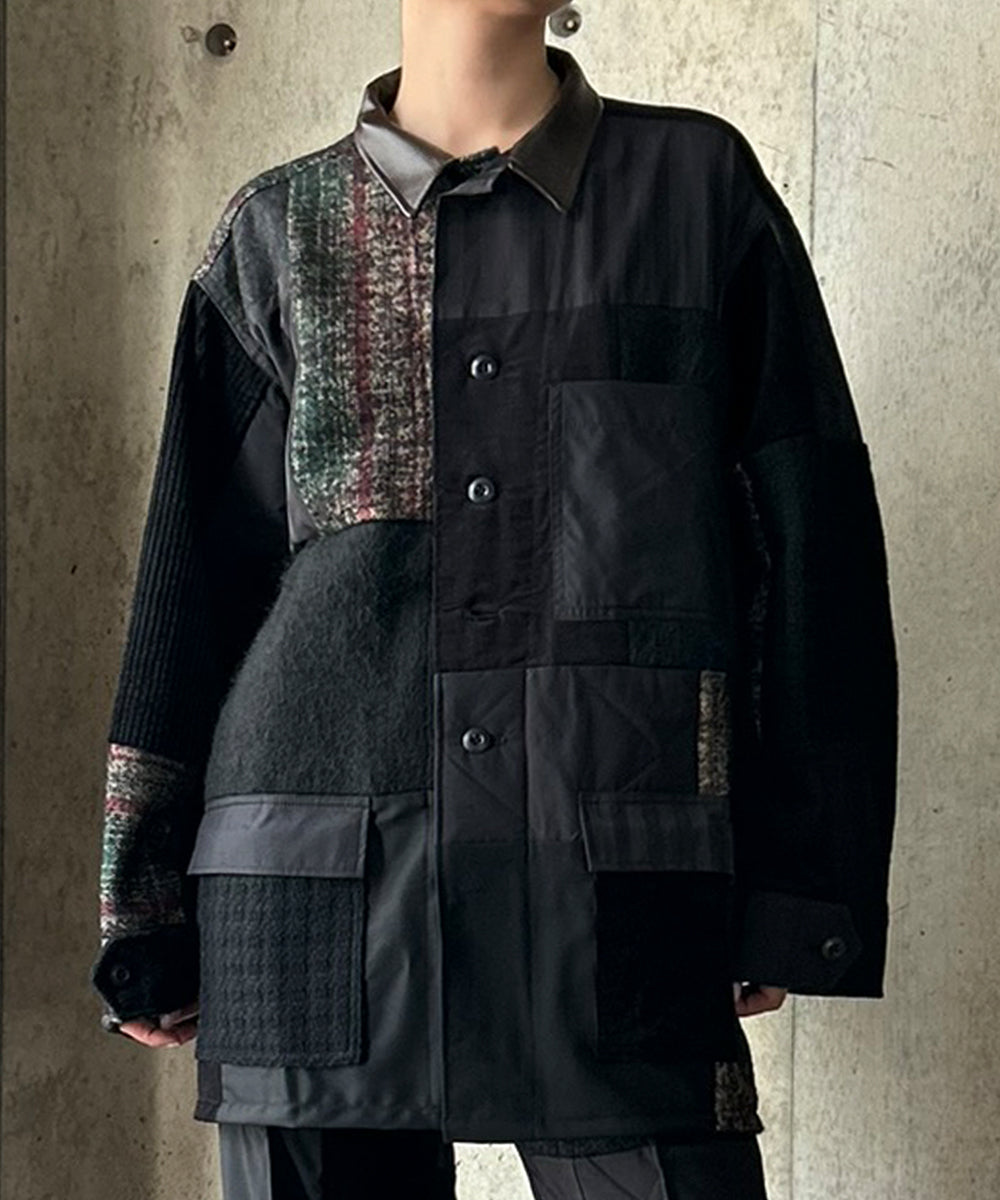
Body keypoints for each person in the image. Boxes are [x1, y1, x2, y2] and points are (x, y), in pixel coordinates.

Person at [90, 2, 898, 1197]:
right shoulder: (278, 229)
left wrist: (800, 881)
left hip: (616, 892)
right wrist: (142, 904)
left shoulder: (693, 193)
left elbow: (811, 547)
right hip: (306, 904)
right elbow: (191, 589)